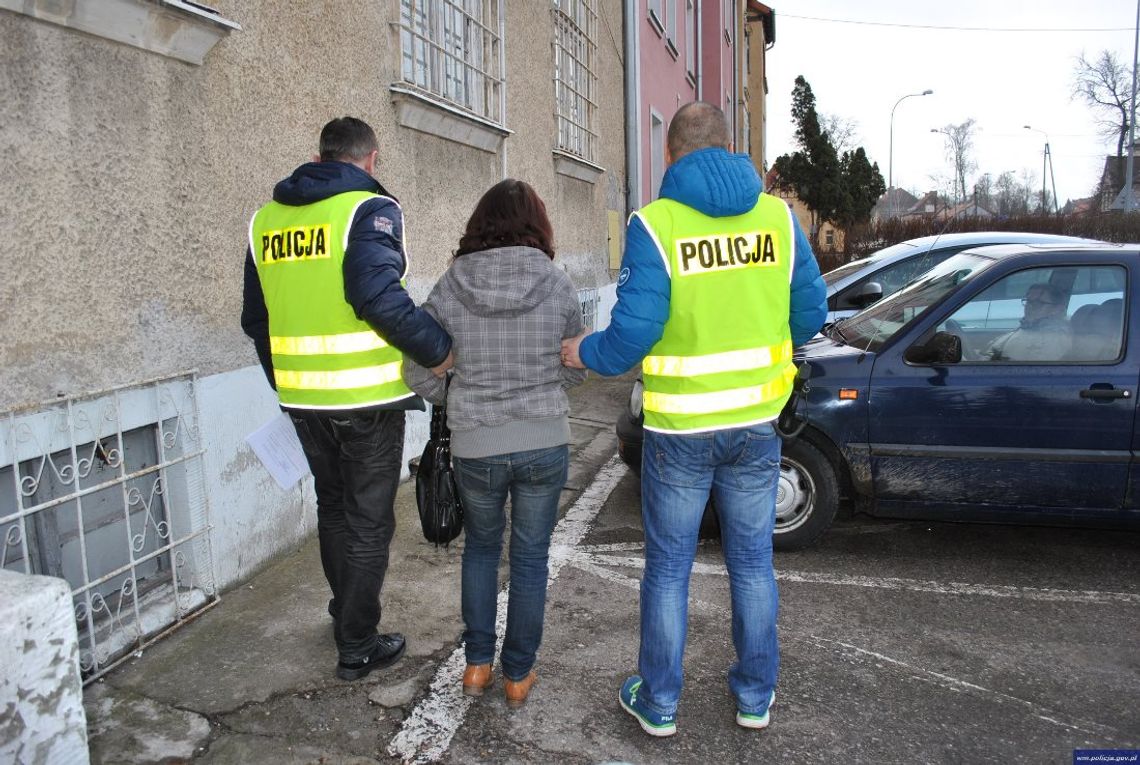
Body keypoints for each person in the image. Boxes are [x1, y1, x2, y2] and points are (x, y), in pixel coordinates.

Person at [562, 102, 827, 736]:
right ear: (729, 148)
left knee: (670, 568)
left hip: (680, 434)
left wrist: (584, 351)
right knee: (753, 564)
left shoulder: (656, 226)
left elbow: (631, 336)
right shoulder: (779, 220)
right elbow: (811, 315)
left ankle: (658, 702)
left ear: (673, 156)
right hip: (756, 428)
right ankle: (755, 697)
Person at [241, 117, 453, 681]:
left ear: (322, 155)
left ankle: (345, 612)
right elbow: (377, 296)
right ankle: (357, 643)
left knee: (333, 508)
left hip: (304, 401)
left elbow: (255, 319)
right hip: (364, 400)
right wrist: (439, 351)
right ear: (371, 159)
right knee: (367, 522)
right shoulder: (367, 209)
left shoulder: (266, 221)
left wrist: (285, 380)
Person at [404, 179, 586, 708]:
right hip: (543, 441)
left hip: (476, 445)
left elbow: (416, 366)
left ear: (480, 223)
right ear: (539, 224)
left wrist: (453, 391)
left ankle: (478, 665)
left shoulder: (452, 283)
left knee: (481, 551)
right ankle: (517, 675)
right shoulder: (556, 283)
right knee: (530, 559)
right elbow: (576, 364)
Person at [984, 283, 1071, 361]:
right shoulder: (1029, 328)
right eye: (1029, 301)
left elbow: (1032, 371)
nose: (1030, 306)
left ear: (1056, 309)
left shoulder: (1055, 337)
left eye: (1038, 303)